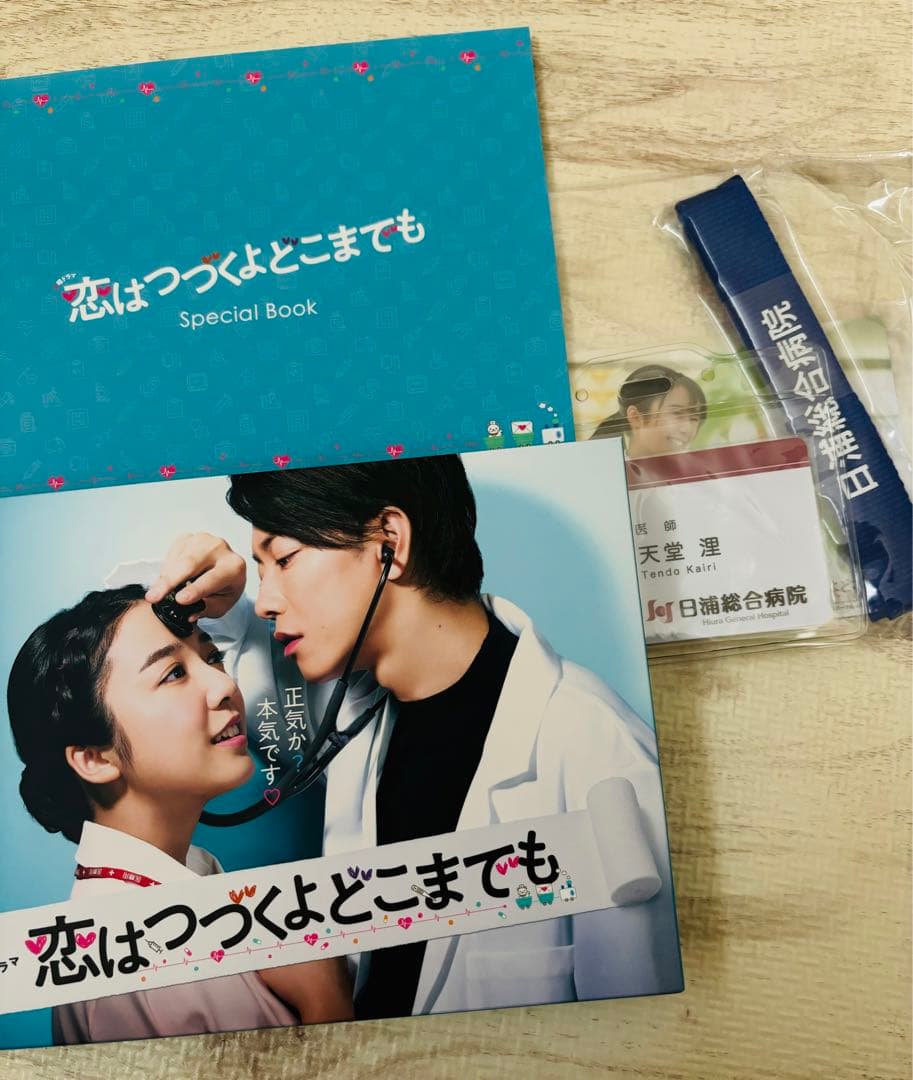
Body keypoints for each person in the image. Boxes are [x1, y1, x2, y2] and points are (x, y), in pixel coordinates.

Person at [144, 456, 683, 1017]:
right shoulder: (351, 712)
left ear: (389, 543)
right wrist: (209, 603)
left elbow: (639, 1028)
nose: (268, 601)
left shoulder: (601, 758)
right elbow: (194, 688)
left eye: (284, 559)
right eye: (262, 573)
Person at [6, 585, 353, 1044]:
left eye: (211, 658)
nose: (225, 686)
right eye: (173, 673)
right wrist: (326, 999)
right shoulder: (141, 955)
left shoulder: (168, 897)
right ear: (94, 758)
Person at [591, 364, 707, 457]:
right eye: (677, 413)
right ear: (635, 417)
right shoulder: (602, 469)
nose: (686, 429)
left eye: (694, 418)